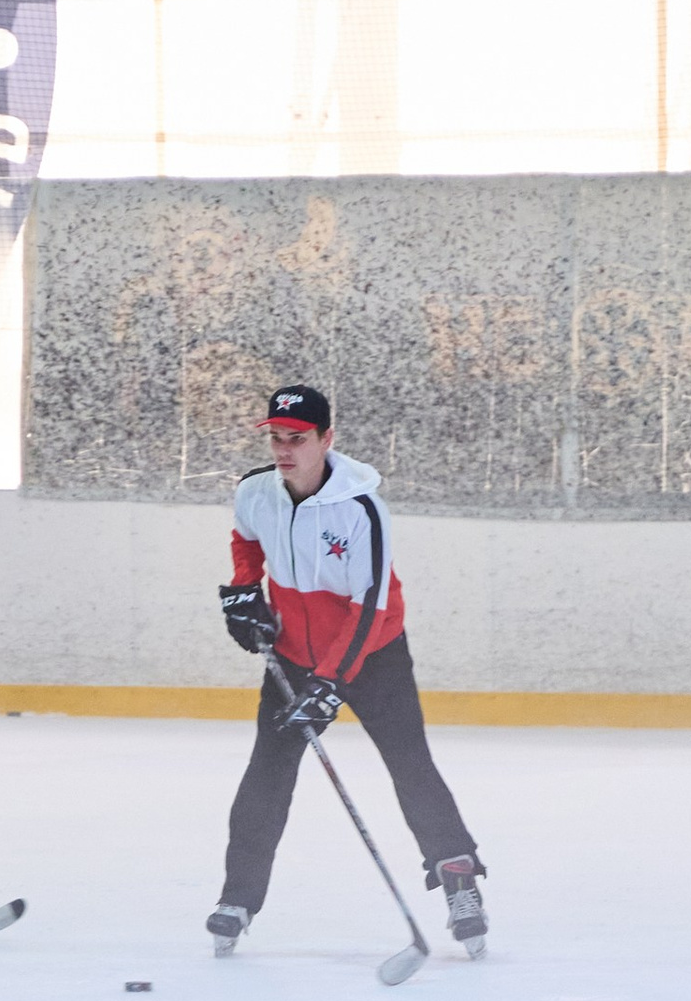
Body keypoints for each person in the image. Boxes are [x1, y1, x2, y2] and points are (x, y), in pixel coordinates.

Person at [207, 386, 487, 957]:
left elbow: (370, 608)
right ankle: (236, 899)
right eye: (277, 438)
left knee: (411, 766)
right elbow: (247, 543)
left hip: (372, 654)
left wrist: (332, 683)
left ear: (326, 440)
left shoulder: (362, 510)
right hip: (292, 654)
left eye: (298, 439)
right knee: (267, 774)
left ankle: (460, 883)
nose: (285, 450)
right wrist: (242, 594)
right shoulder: (255, 491)